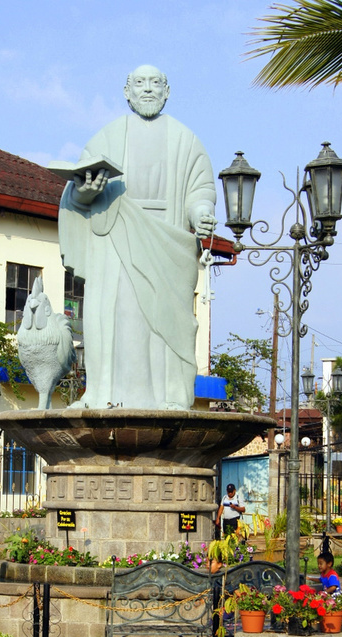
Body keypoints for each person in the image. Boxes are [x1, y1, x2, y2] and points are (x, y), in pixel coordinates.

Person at [58, 64, 217, 410]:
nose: (148, 89)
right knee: (120, 319)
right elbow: (76, 194)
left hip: (167, 243)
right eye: (140, 83)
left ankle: (171, 397)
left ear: (167, 91)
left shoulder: (186, 141)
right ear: (126, 92)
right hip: (117, 241)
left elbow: (200, 189)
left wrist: (201, 214)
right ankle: (105, 395)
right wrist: (86, 191)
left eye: (155, 83)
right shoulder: (106, 138)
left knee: (164, 323)